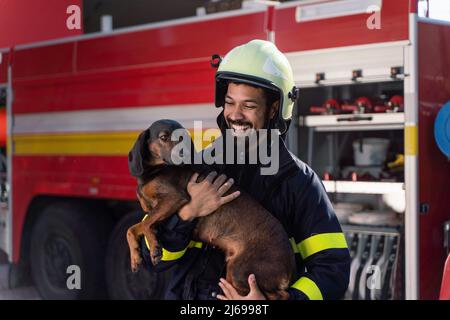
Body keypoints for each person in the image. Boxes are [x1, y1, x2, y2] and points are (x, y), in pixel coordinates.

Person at [138, 39, 351, 300]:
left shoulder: (298, 182)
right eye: (229, 102)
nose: (235, 115)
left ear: (274, 109)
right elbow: (154, 262)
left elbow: (333, 271)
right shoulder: (194, 167)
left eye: (249, 105)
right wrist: (188, 213)